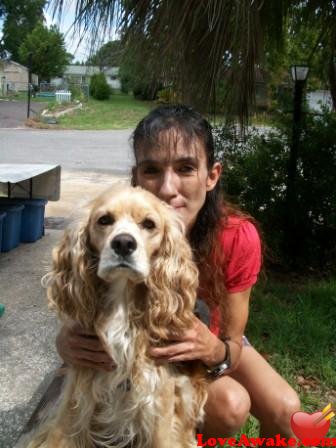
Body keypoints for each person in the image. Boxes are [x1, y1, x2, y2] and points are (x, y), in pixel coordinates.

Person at [56, 104, 300, 437]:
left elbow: (232, 341)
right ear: (136, 177)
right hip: (141, 341)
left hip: (210, 340)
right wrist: (64, 342)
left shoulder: (236, 236)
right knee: (230, 404)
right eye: (152, 170)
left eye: (185, 168)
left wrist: (214, 350)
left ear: (211, 175)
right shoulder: (119, 227)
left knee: (286, 409)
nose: (168, 188)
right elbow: (86, 300)